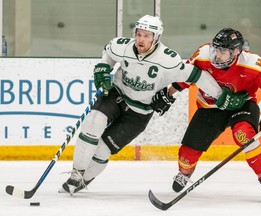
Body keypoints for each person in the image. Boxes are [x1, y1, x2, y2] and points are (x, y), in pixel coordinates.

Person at [61, 17, 248, 195]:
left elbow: (197, 75)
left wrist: (220, 95)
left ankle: (84, 179)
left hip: (140, 112)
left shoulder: (168, 60)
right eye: (138, 34)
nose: (140, 39)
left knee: (103, 149)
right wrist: (103, 67)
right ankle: (76, 173)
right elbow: (109, 52)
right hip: (117, 94)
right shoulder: (122, 45)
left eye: (146, 35)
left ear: (156, 38)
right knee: (93, 121)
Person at [151, 28, 261, 199]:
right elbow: (187, 75)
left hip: (242, 106)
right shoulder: (203, 54)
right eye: (215, 49)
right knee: (186, 156)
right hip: (210, 108)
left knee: (244, 135)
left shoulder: (253, 63)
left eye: (223, 51)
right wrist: (170, 92)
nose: (216, 55)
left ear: (236, 52)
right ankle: (185, 173)